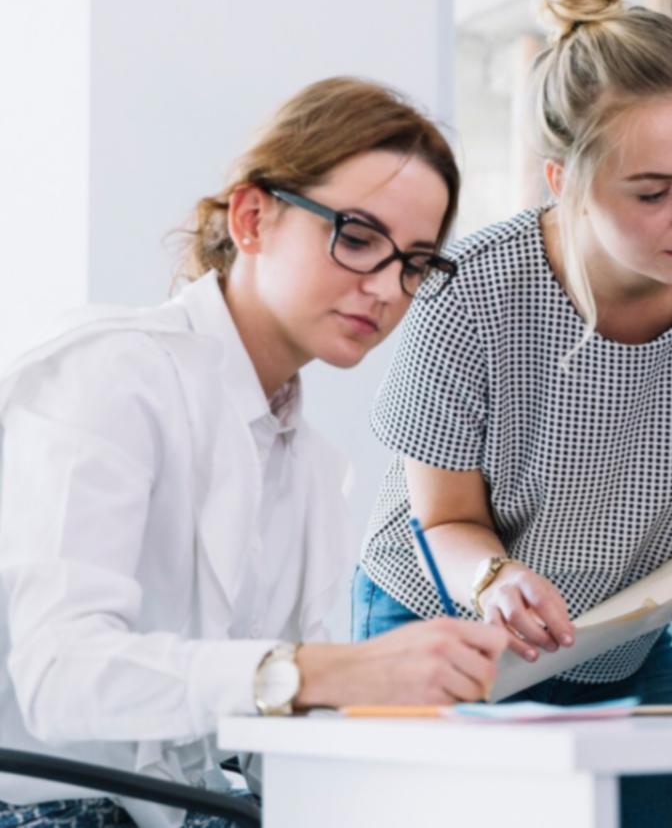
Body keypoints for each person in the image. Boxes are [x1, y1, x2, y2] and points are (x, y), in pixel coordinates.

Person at [352, 0, 672, 827]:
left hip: (620, 631)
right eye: (653, 191)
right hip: (445, 615)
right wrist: (496, 579)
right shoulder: (469, 295)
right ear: (560, 181)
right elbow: (447, 520)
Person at [0, 78, 508, 828]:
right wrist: (324, 672)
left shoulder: (306, 464)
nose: (384, 289)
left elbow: (280, 743)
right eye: (359, 236)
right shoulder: (112, 376)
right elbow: (61, 675)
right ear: (251, 216)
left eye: (414, 264)